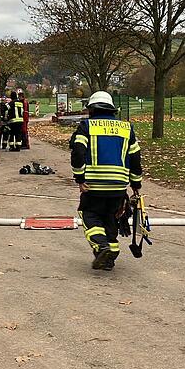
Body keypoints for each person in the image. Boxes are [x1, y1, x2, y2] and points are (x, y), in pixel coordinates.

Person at [69, 91, 143, 271]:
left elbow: (78, 153)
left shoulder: (86, 126)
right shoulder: (127, 128)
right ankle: (110, 257)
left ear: (92, 109)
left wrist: (79, 178)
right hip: (119, 187)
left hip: (93, 186)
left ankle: (101, 246)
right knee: (110, 219)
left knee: (89, 215)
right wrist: (135, 184)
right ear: (112, 109)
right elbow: (135, 158)